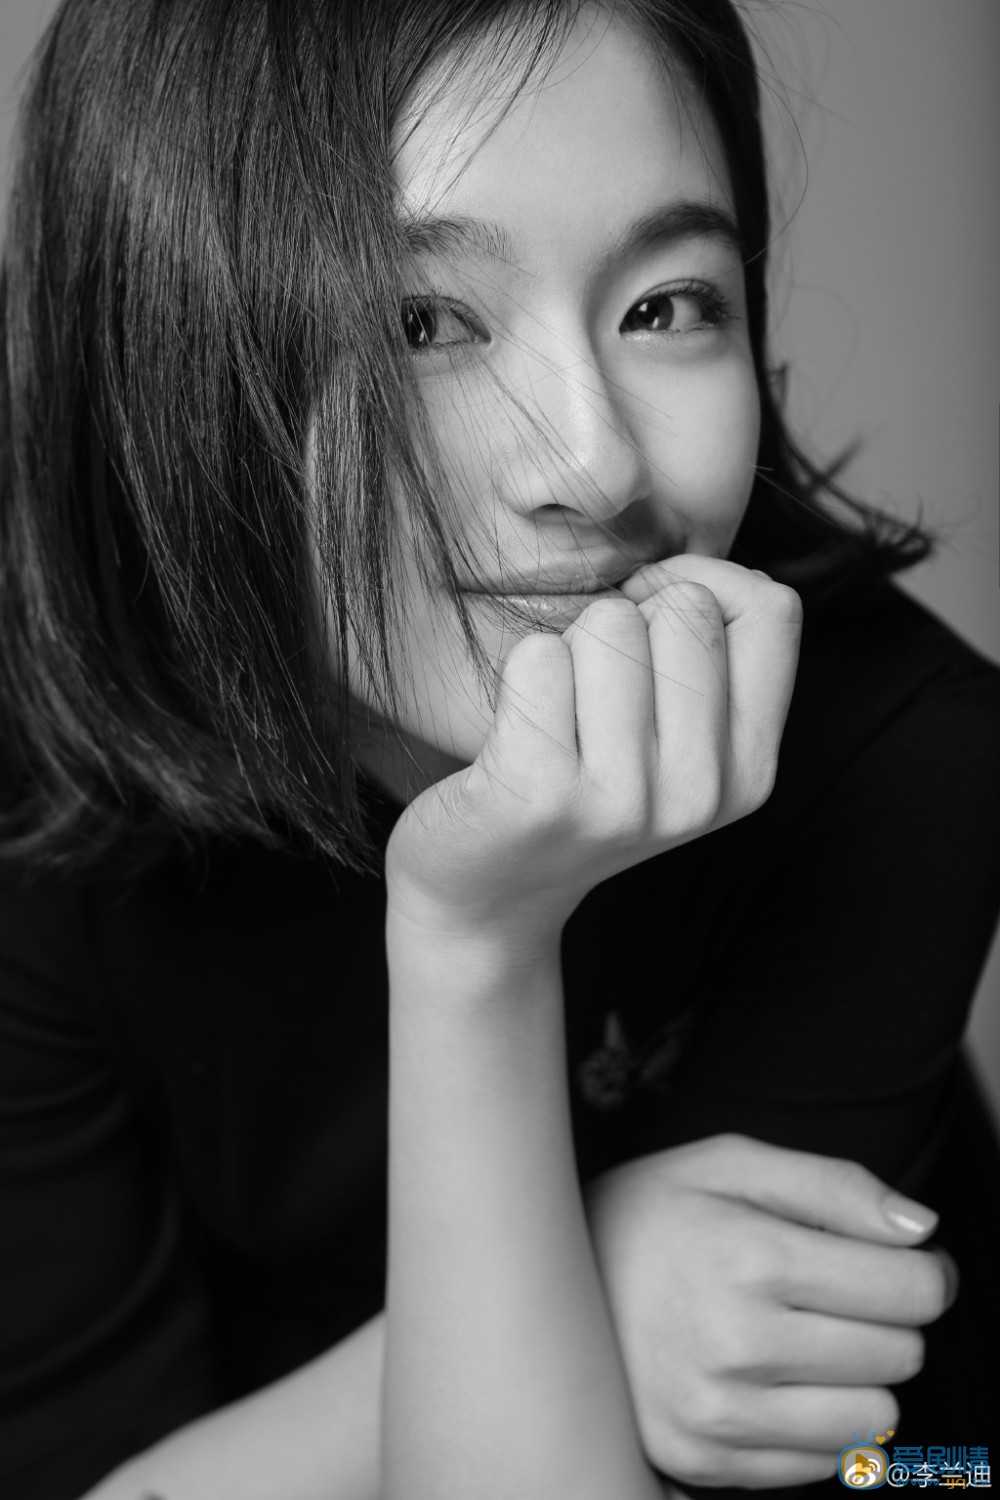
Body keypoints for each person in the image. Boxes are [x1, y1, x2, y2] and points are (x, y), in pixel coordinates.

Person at [1, 0, 997, 1496]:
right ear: (159, 357)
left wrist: (477, 941)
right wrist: (595, 1275)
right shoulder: (38, 794)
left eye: (667, 306)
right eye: (424, 323)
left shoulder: (896, 750)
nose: (595, 463)